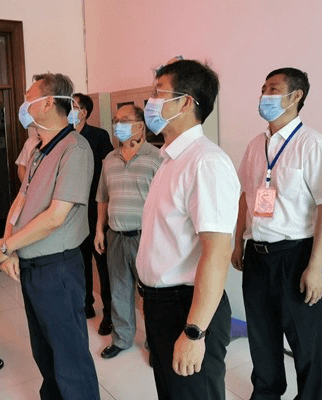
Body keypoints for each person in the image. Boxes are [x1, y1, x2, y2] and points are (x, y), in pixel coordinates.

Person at [135, 59, 240, 400]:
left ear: (185, 102)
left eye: (158, 93)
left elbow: (217, 252)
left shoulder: (205, 162)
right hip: (162, 305)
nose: (150, 102)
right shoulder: (170, 159)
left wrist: (194, 332)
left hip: (188, 308)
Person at [231, 67, 322, 400]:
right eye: (263, 88)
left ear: (296, 96)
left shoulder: (312, 144)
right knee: (262, 337)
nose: (265, 95)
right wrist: (238, 243)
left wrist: (315, 267)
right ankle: (266, 393)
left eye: (273, 89)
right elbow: (245, 198)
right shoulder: (255, 145)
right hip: (257, 255)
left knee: (305, 341)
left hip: (296, 256)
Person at [0, 73, 99, 400]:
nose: (24, 105)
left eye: (29, 99)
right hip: (33, 268)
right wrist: (9, 245)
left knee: (70, 358)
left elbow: (55, 217)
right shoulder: (40, 149)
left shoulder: (74, 149)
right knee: (45, 353)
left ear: (48, 102)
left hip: (58, 270)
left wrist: (6, 246)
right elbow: (22, 198)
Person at [94, 104, 162, 359]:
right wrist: (99, 230)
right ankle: (122, 339)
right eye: (116, 120)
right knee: (119, 291)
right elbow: (102, 197)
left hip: (146, 237)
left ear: (140, 125)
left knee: (151, 294)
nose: (117, 125)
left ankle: (155, 343)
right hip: (116, 236)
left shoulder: (157, 158)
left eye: (124, 120)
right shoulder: (110, 159)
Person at [72, 92, 115, 335]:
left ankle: (109, 314)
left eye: (73, 106)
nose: (69, 110)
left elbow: (107, 170)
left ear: (84, 112)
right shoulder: (65, 136)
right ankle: (86, 304)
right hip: (73, 209)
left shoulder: (98, 136)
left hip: (95, 206)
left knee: (102, 264)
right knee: (79, 262)